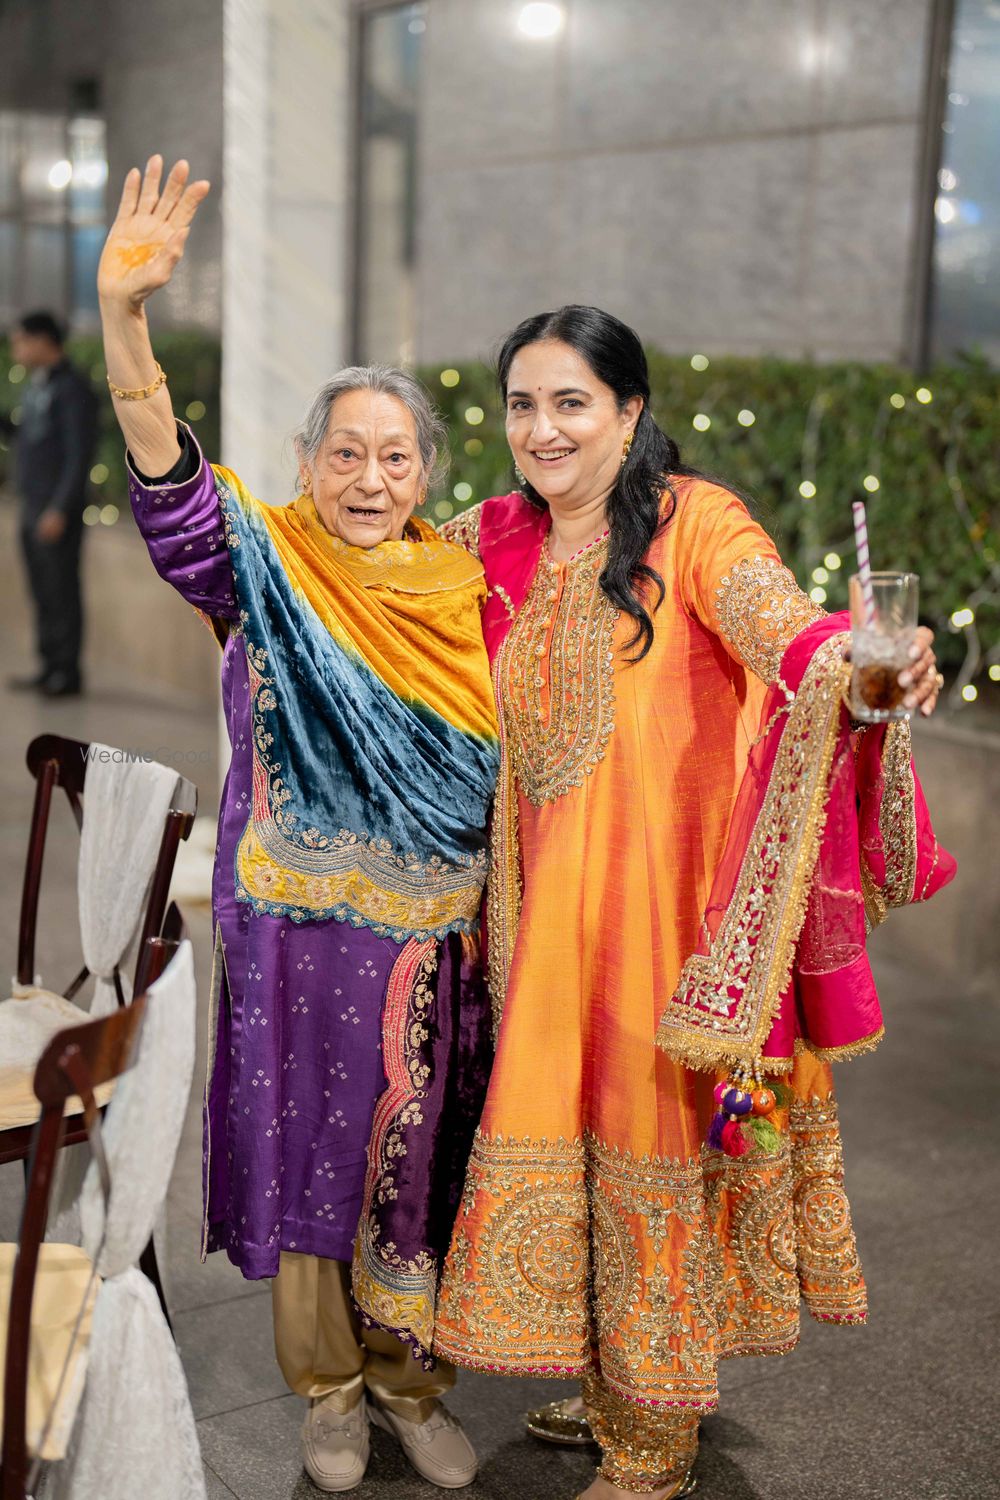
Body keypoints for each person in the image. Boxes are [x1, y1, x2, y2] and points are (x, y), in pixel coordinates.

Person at [433, 305, 955, 1500]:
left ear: (628, 411)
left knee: (647, 1136)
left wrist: (866, 661)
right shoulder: (489, 538)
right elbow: (369, 591)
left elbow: (788, 631)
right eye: (522, 404)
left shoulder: (698, 523)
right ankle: (608, 1370)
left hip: (657, 919)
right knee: (557, 1134)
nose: (542, 428)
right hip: (530, 914)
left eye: (572, 402)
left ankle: (654, 1430)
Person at [98, 156, 499, 1494]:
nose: (368, 477)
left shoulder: (468, 591)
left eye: (394, 456)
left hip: (430, 932)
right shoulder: (261, 559)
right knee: (308, 1142)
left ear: (427, 472)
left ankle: (412, 1378)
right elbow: (165, 480)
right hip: (291, 924)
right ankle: (329, 1392)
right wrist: (125, 319)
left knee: (417, 1149)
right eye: (346, 452)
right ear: (307, 464)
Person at [3, 309, 97, 696]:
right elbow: (32, 436)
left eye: (21, 340)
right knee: (42, 590)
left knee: (62, 590)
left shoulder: (73, 389)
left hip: (56, 512)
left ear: (43, 341)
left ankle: (67, 673)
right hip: (32, 505)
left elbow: (78, 455)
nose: (15, 348)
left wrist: (59, 507)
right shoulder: (37, 384)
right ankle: (48, 665)